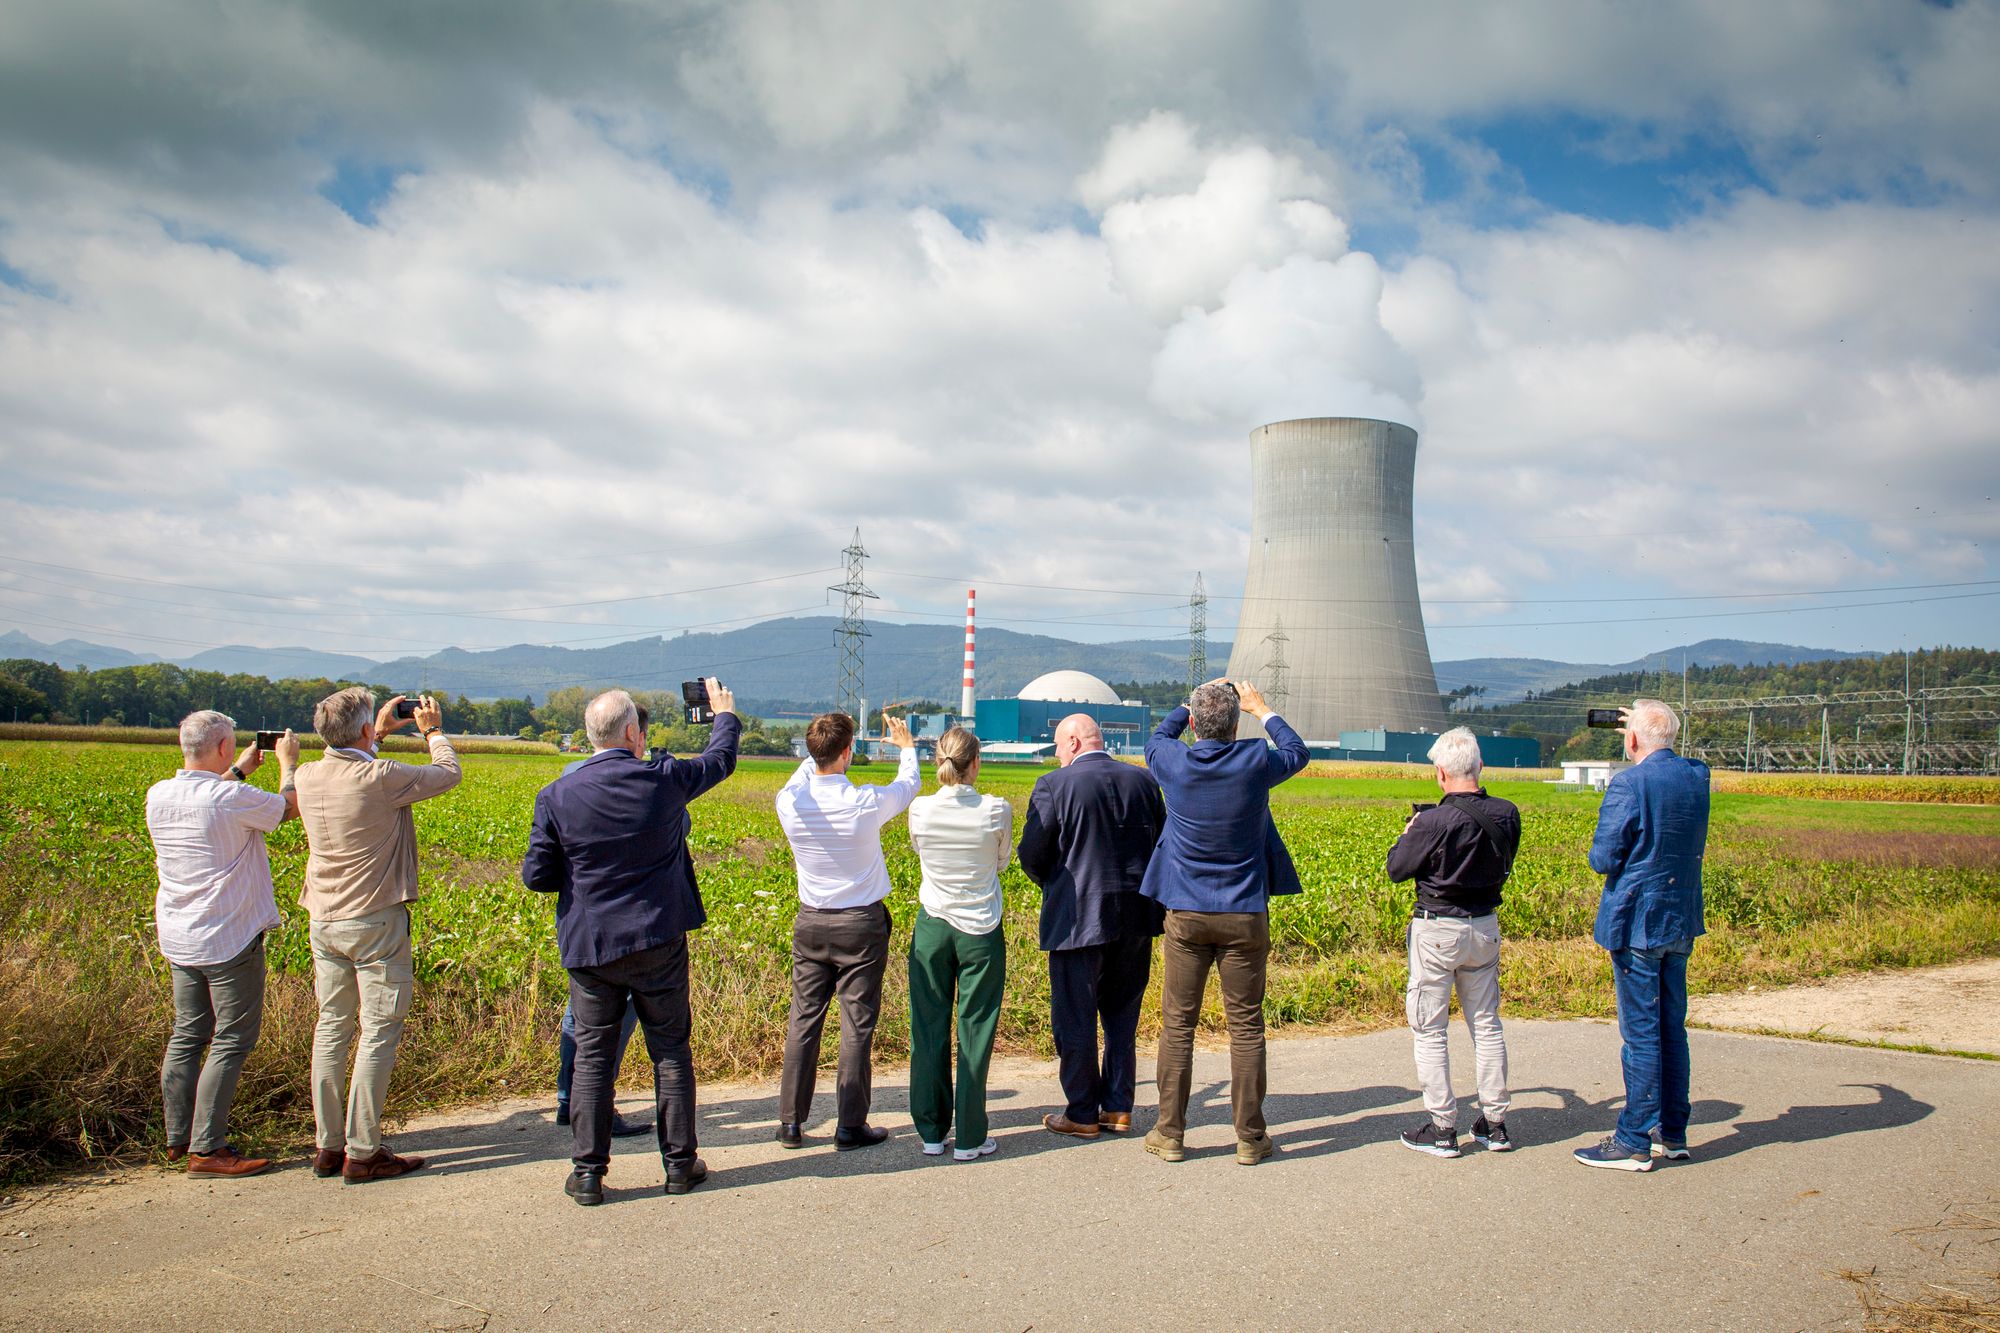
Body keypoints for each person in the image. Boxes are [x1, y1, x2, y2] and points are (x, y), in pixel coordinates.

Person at [522, 683, 739, 1203]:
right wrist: (724, 715)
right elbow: (719, 760)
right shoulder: (660, 780)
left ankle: (589, 1172)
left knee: (593, 1057)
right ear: (632, 734)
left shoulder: (555, 796)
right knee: (670, 1050)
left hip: (591, 942)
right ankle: (680, 1164)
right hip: (658, 936)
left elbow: (537, 875)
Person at [294, 688, 461, 1184]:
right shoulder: (381, 776)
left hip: (322, 918)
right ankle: (363, 1150)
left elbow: (353, 763)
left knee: (331, 1028)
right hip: (373, 919)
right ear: (366, 731)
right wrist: (431, 731)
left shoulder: (305, 775)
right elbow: (448, 773)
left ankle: (328, 1146)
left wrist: (379, 732)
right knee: (378, 1031)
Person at [1141, 679, 1309, 1166]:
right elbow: (1297, 752)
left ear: (1194, 724)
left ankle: (1170, 1132)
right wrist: (1265, 709)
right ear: (1237, 725)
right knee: (1246, 1027)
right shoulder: (1255, 760)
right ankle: (1250, 1138)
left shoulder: (1173, 762)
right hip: (1243, 913)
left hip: (1186, 914)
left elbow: (1157, 740)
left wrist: (1183, 704)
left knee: (1178, 1026)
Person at [144, 711, 301, 1177]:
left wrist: (238, 771)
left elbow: (209, 795)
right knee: (233, 1038)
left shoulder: (159, 795)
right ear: (223, 747)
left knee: (188, 1034)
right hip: (229, 935)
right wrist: (287, 765)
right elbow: (287, 808)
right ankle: (208, 1148)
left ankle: (178, 1138)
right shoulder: (230, 797)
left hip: (179, 933)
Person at [772, 710, 920, 1151]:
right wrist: (907, 748)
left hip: (811, 921)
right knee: (856, 1024)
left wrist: (815, 753)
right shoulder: (864, 801)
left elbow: (802, 776)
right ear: (848, 752)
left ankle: (790, 1123)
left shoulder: (791, 803)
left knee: (803, 1020)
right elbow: (908, 786)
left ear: (811, 751)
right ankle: (849, 1124)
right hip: (860, 924)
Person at [1574, 698, 1712, 1172]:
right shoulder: (1697, 777)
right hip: (1679, 920)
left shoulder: (1629, 783)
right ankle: (1671, 1132)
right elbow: (1676, 757)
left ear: (1631, 741)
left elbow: (1604, 858)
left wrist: (1634, 744)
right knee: (1673, 1027)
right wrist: (1641, 729)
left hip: (1637, 923)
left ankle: (1632, 1138)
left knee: (1641, 1033)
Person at [1018, 713, 1165, 1140]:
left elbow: (1032, 852)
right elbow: (1161, 841)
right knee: (1122, 1016)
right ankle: (1118, 1107)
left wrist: (1054, 884)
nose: (1058, 755)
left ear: (1076, 742)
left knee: (1075, 1017)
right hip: (1136, 915)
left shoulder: (1054, 786)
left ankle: (1081, 1111)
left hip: (1076, 918)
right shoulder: (1142, 782)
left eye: (1060, 747)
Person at [1385, 726, 1521, 1158]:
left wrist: (1411, 831)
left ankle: (1443, 1127)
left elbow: (1396, 868)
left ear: (1441, 773)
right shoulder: (1507, 813)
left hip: (1437, 930)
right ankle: (1495, 1123)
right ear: (1480, 767)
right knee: (1486, 1024)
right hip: (1484, 928)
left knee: (1430, 1029)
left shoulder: (1432, 821)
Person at [905, 726, 1013, 1161]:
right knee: (976, 1030)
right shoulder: (995, 809)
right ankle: (970, 1135)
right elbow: (1002, 859)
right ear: (976, 764)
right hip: (980, 927)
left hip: (932, 922)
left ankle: (931, 1130)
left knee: (928, 1027)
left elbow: (918, 851)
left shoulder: (919, 810)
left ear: (938, 762)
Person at [550, 703, 658, 1138]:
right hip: (632, 920)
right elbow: (676, 828)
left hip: (580, 916)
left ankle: (567, 1099)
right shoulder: (648, 782)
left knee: (581, 1013)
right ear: (634, 735)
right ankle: (594, 1106)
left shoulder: (568, 776)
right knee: (619, 1018)